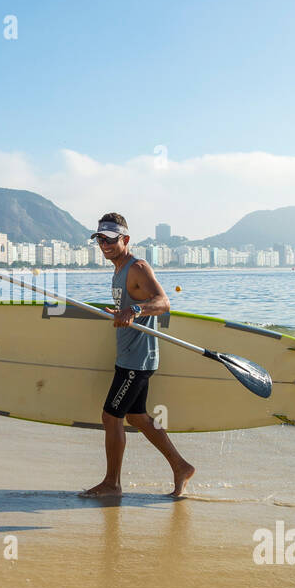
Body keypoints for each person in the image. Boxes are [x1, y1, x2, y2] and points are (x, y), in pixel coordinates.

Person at [82, 213, 195, 499]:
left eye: (110, 239)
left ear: (125, 240)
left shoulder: (137, 267)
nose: (104, 245)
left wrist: (133, 311)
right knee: (137, 417)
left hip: (137, 360)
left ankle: (112, 483)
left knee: (111, 417)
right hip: (131, 357)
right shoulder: (118, 269)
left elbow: (162, 302)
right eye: (100, 240)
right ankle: (181, 467)